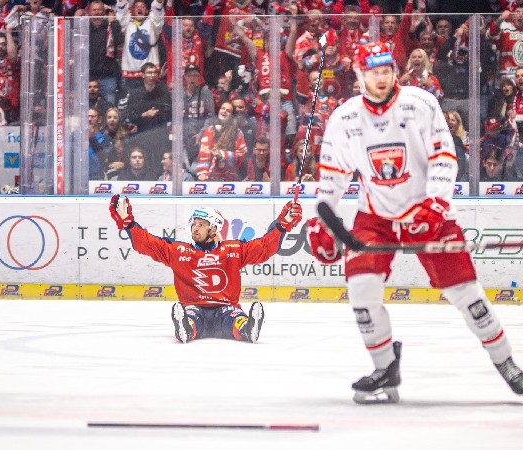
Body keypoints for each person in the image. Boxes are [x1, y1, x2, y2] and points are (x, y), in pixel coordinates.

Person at [306, 42, 523, 404]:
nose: (382, 78)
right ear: (360, 75)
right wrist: (322, 223)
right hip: (375, 216)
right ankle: (385, 366)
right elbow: (331, 181)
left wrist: (436, 205)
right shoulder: (344, 119)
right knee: (361, 290)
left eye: (387, 70)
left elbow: (444, 158)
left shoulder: (420, 104)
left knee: (467, 295)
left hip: (427, 210)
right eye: (374, 72)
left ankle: (507, 364)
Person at [108, 195, 302, 344]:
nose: (195, 228)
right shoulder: (178, 251)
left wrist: (282, 225)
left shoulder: (233, 250)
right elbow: (148, 244)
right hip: (194, 308)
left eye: (201, 225)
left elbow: (264, 247)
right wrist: (128, 222)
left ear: (214, 229)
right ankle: (185, 329)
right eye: (194, 224)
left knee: (236, 318)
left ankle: (248, 329)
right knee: (191, 319)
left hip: (226, 308)